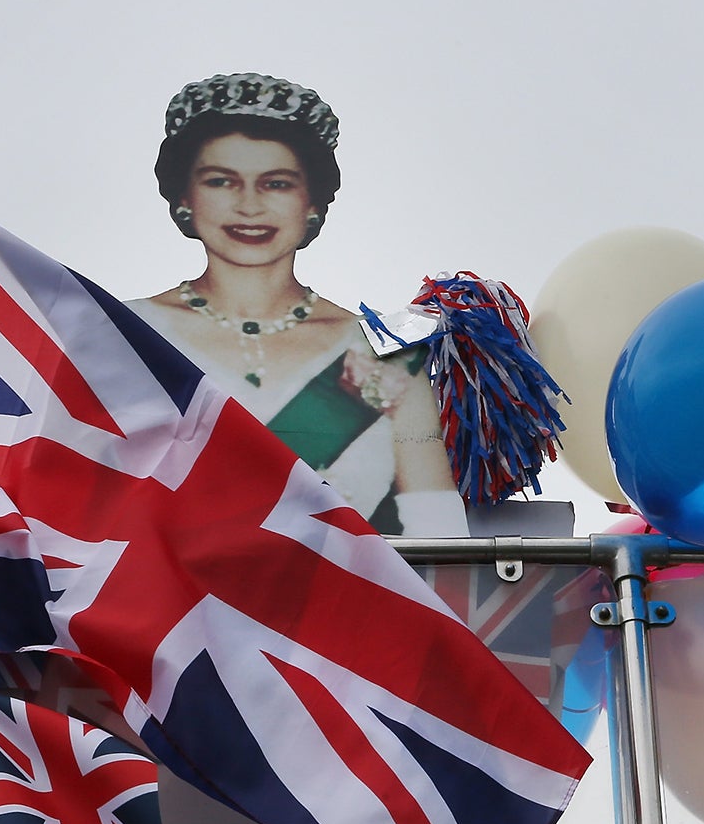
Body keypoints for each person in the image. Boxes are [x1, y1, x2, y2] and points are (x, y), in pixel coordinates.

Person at [124, 72, 467, 536]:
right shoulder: (122, 333)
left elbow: (440, 539)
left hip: (342, 606)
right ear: (185, 197)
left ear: (313, 203)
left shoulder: (386, 353)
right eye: (222, 181)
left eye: (277, 184)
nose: (249, 206)